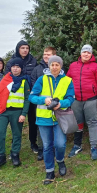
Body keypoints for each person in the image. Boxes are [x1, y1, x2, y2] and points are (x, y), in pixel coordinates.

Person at [29, 56, 74, 185]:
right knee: (47, 146)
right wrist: (44, 100)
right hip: (44, 118)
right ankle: (49, 171)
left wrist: (62, 103)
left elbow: (71, 98)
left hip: (60, 117)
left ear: (61, 66)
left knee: (60, 144)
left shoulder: (67, 80)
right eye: (52, 64)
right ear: (48, 66)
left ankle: (60, 160)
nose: (54, 67)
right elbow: (32, 97)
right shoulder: (41, 79)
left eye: (57, 64)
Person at [67, 45, 97, 160]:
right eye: (84, 52)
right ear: (81, 53)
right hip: (76, 100)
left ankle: (93, 147)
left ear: (91, 54)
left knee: (92, 122)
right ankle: (77, 145)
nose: (86, 54)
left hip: (91, 99)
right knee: (78, 123)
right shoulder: (73, 66)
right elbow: (67, 81)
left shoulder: (96, 66)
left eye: (88, 52)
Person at [5, 40, 38, 154]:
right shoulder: (11, 62)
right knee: (16, 123)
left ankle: (33, 143)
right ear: (18, 49)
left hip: (30, 94)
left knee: (33, 120)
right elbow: (7, 79)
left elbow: (35, 76)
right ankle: (14, 146)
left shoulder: (33, 61)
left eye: (27, 48)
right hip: (16, 97)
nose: (25, 50)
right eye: (22, 48)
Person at [0, 58, 30, 168]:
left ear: (21, 68)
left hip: (17, 112)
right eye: (13, 67)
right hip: (3, 111)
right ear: (10, 68)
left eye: (18, 67)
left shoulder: (25, 81)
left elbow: (27, 99)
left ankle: (15, 153)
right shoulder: (5, 79)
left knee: (17, 134)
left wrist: (23, 114)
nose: (15, 69)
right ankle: (0, 155)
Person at [30, 46, 57, 161]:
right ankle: (41, 149)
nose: (46, 56)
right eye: (45, 54)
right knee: (41, 127)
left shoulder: (58, 68)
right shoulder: (37, 69)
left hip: (56, 106)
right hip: (41, 105)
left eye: (48, 54)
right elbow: (33, 85)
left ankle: (54, 148)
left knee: (56, 126)